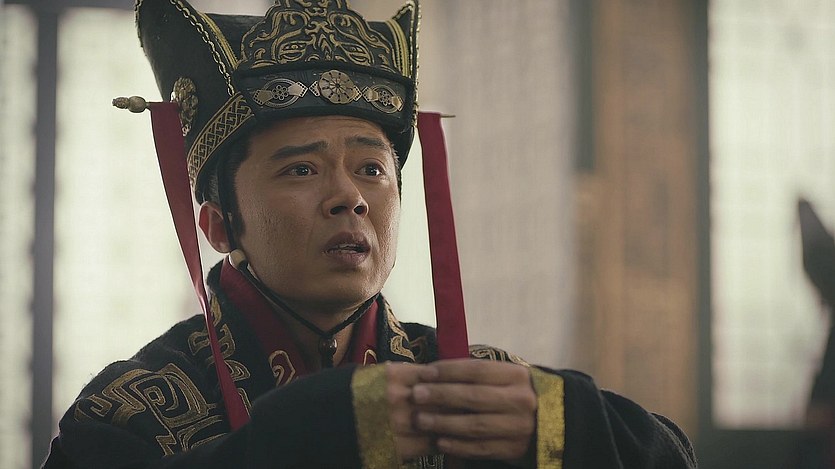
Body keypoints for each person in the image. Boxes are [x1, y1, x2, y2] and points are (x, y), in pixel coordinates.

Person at [43, 0, 697, 467]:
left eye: (371, 169)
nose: (349, 197)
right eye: (301, 169)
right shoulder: (133, 411)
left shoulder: (476, 392)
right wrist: (313, 433)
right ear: (218, 224)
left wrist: (566, 427)